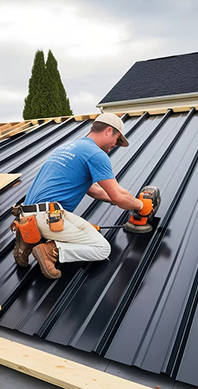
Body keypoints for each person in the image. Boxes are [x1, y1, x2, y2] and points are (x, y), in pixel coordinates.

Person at [13, 113, 149, 279]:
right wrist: (141, 206)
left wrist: (121, 201)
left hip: (26, 217)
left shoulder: (69, 147)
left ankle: (28, 242)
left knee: (82, 229)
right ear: (108, 130)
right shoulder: (97, 154)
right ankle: (50, 250)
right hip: (49, 218)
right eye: (117, 139)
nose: (116, 145)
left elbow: (95, 190)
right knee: (102, 249)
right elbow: (118, 196)